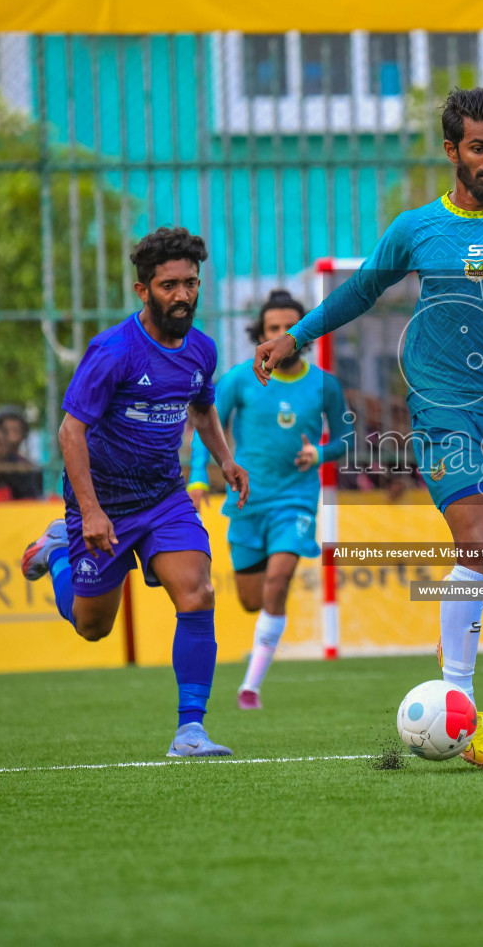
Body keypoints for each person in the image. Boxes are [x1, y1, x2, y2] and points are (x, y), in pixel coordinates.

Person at [255, 88, 483, 770]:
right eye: (478, 147)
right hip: (443, 404)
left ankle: (457, 647)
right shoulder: (417, 228)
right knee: (476, 546)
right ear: (451, 150)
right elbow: (362, 290)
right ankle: (462, 707)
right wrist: (298, 336)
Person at [20, 226, 249, 759]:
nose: (183, 295)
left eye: (191, 283)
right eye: (170, 285)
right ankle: (57, 553)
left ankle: (190, 731)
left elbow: (201, 406)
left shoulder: (201, 350)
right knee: (93, 627)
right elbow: (69, 433)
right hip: (102, 504)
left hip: (164, 496)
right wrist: (93, 513)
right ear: (143, 290)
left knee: (198, 594)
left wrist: (225, 459)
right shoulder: (113, 351)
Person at [190, 290, 352, 710]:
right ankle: (268, 625)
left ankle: (250, 688)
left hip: (295, 500)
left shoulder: (324, 385)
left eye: (289, 328)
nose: (282, 335)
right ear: (261, 335)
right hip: (246, 503)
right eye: (273, 328)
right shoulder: (238, 380)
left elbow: (346, 439)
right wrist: (195, 480)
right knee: (252, 600)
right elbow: (207, 425)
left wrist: (319, 453)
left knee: (277, 584)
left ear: (303, 334)